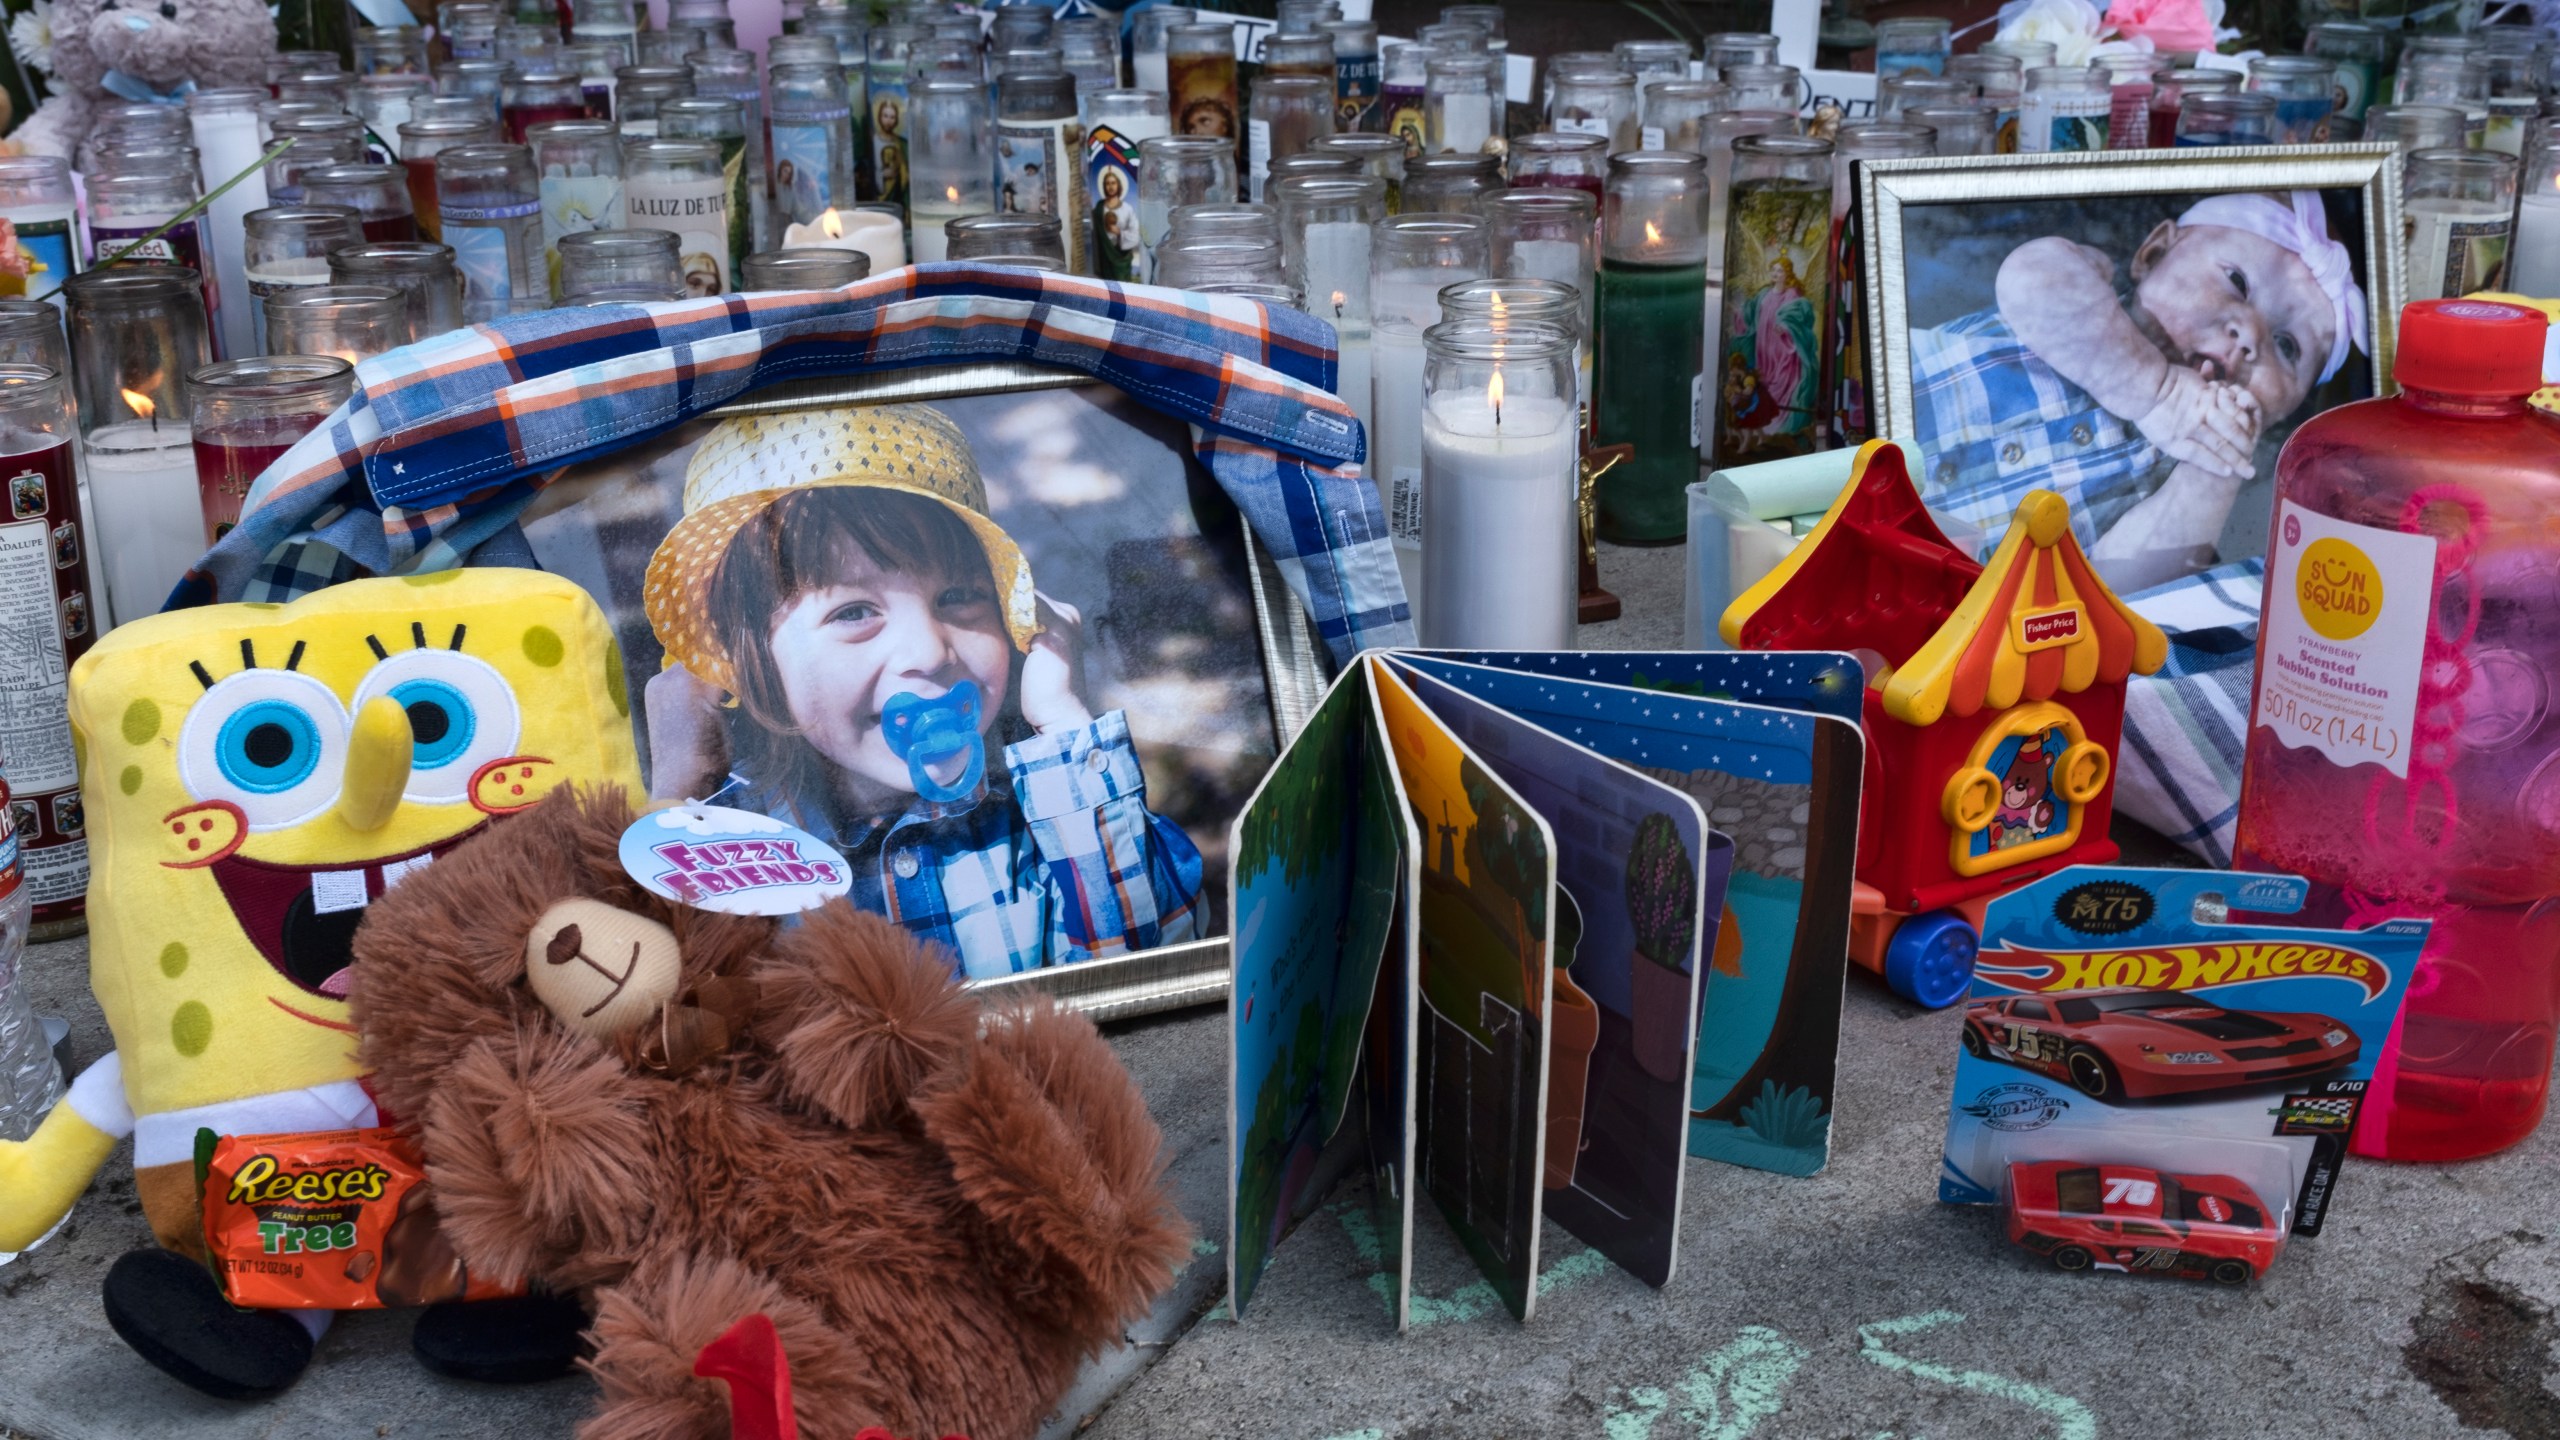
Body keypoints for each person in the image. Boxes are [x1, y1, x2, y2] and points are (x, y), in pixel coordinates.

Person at [641, 405, 1207, 980]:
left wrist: (1063, 722)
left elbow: (1150, 980)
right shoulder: (731, 838)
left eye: (959, 595)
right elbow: (654, 1008)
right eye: (854, 611)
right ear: (749, 661)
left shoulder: (1055, 809)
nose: (930, 652)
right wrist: (678, 790)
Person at [1908, 191, 2366, 591]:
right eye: (2238, 282)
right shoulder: (2088, 291)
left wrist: (2214, 472)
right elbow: (2030, 277)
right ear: (2152, 254)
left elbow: (2125, 593)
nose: (2251, 337)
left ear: (2287, 410)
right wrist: (2158, 391)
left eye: (2287, 347)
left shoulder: (2174, 479)